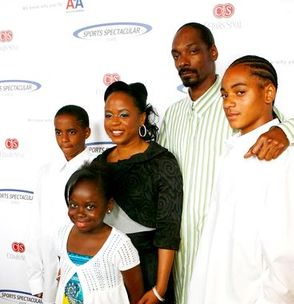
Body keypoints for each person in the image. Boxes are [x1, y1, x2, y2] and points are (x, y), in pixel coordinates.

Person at [159, 22, 294, 303]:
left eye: (192, 51)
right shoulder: (222, 145)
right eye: (176, 55)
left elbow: (287, 264)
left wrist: (289, 131)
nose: (230, 102)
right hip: (191, 264)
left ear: (213, 52)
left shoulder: (276, 148)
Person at [91, 80, 183, 304]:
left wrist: (160, 289)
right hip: (106, 267)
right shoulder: (98, 164)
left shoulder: (162, 161)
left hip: (147, 268)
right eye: (109, 115)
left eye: (123, 115)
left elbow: (168, 230)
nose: (115, 123)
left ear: (141, 117)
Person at [26, 105, 96, 304]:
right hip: (49, 270)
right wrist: (35, 279)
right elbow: (36, 226)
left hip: (84, 266)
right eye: (58, 132)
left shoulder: (96, 169)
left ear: (87, 132)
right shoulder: (45, 173)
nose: (64, 139)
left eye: (71, 132)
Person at [55, 162, 144, 304]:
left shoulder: (120, 245)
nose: (80, 213)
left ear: (108, 205)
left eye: (90, 206)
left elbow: (137, 295)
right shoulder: (63, 234)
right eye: (74, 205)